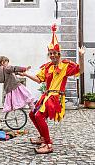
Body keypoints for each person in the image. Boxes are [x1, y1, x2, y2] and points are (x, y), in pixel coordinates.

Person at [19, 24, 85, 154]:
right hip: (47, 95)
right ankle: (43, 138)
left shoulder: (66, 66)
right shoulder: (47, 67)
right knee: (33, 114)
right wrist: (25, 74)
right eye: (50, 53)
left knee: (38, 115)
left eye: (55, 53)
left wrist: (81, 57)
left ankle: (48, 144)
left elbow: (81, 70)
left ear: (59, 53)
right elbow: (39, 79)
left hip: (56, 97)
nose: (53, 55)